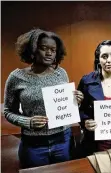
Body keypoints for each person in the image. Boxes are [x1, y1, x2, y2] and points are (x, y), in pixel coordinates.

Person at [3, 28, 84, 168]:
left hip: (63, 140)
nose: (49, 53)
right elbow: (8, 111)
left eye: (53, 50)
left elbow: (65, 106)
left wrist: (77, 100)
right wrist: (27, 121)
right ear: (32, 49)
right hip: (33, 144)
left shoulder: (61, 73)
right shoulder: (16, 77)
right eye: (44, 48)